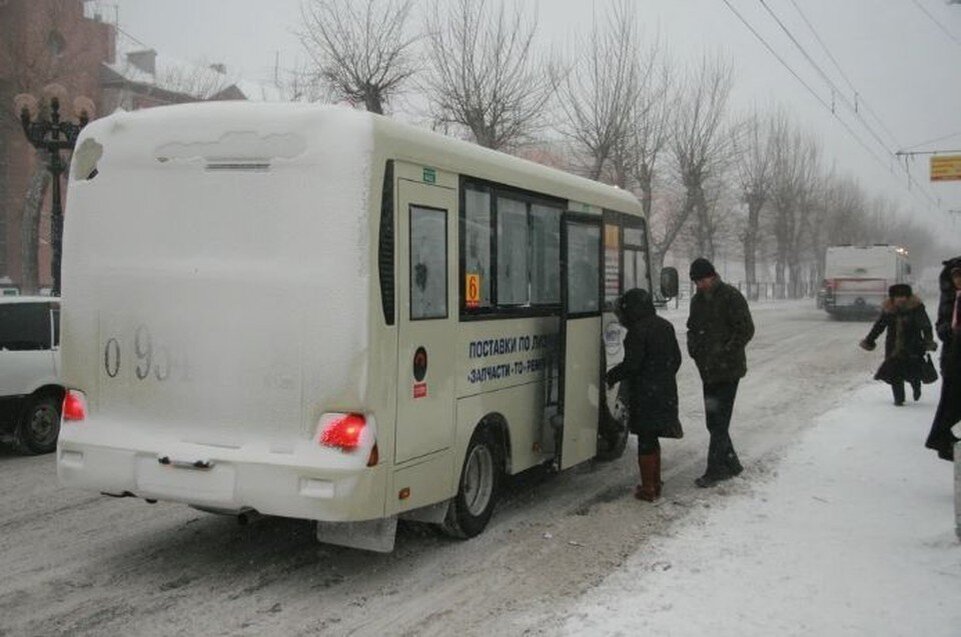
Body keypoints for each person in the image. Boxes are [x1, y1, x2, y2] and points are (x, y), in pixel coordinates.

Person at [606, 288, 682, 502]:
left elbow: (632, 365)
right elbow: (676, 359)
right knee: (653, 437)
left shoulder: (638, 331)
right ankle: (655, 483)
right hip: (665, 390)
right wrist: (663, 376)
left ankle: (648, 488)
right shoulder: (665, 326)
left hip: (645, 393)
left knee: (645, 440)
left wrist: (612, 376)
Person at [686, 258, 755, 488]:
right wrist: (694, 349)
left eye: (701, 280)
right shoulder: (697, 301)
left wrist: (725, 352)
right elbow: (692, 328)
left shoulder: (731, 296)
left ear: (712, 276)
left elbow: (746, 329)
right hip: (707, 370)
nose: (699, 285)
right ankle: (732, 464)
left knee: (719, 422)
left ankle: (715, 471)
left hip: (728, 370)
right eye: (696, 281)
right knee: (713, 421)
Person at [859, 284, 935, 406]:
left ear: (908, 297)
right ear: (892, 298)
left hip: (913, 345)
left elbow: (925, 325)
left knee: (913, 371)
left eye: (904, 296)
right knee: (895, 372)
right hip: (893, 346)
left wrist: (928, 341)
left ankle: (916, 385)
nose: (901, 299)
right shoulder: (889, 310)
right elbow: (879, 326)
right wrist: (870, 340)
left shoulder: (917, 308)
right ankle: (898, 399)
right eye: (898, 296)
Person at [925, 258, 961, 461]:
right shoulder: (951, 298)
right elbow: (942, 322)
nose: (958, 281)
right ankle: (942, 439)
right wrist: (947, 332)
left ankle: (942, 438)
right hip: (953, 356)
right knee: (951, 400)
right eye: (955, 277)